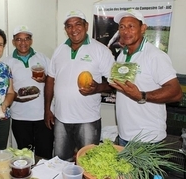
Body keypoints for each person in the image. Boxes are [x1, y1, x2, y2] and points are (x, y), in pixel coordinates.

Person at [44, 10, 115, 161]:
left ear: (86, 26)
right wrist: (47, 109)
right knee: (61, 161)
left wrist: (97, 88)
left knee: (88, 163)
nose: (73, 29)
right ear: (65, 30)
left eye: (78, 24)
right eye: (69, 26)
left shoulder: (100, 50)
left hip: (87, 119)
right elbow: (50, 79)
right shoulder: (59, 50)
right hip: (61, 119)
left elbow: (114, 83)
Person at [110, 9, 183, 146]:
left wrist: (142, 96)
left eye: (131, 26)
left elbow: (176, 93)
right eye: (122, 27)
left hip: (148, 140)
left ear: (143, 28)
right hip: (124, 135)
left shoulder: (155, 56)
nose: (125, 31)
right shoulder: (122, 55)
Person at [4, 25, 54, 159]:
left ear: (31, 41)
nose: (23, 43)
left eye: (26, 39)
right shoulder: (6, 62)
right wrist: (15, 97)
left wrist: (45, 80)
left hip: (43, 116)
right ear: (14, 42)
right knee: (25, 156)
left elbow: (54, 79)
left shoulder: (42, 58)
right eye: (19, 39)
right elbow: (3, 89)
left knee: (45, 154)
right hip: (20, 117)